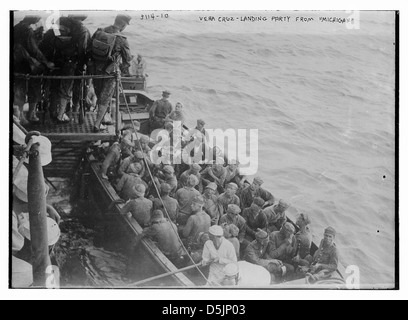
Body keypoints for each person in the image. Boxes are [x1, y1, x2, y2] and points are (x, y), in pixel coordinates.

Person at [40, 14, 91, 123]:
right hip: (70, 64)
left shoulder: (54, 32)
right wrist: (81, 67)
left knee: (54, 88)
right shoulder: (80, 30)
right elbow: (82, 50)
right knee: (66, 90)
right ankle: (61, 115)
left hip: (55, 63)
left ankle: (52, 112)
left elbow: (46, 47)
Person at [91, 14, 133, 132]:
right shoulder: (122, 39)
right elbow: (128, 58)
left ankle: (103, 118)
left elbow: (90, 49)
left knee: (99, 94)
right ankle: (97, 124)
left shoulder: (99, 32)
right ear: (123, 25)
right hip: (110, 72)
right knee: (105, 98)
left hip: (96, 70)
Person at [14, 15, 55, 125]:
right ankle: (31, 114)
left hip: (16, 63)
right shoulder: (28, 31)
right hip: (28, 64)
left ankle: (20, 115)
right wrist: (46, 63)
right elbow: (34, 50)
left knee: (19, 89)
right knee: (35, 85)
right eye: (37, 18)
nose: (38, 19)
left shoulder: (15, 27)